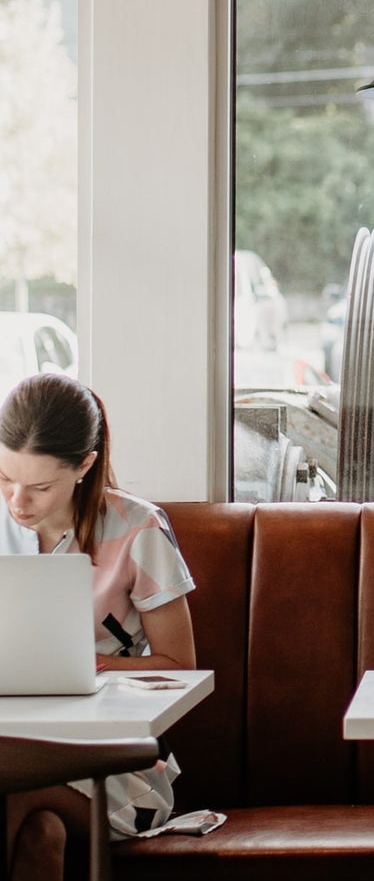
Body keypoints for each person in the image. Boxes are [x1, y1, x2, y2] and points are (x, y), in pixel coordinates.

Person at [0, 375, 196, 881]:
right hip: (11, 744)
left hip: (118, 765)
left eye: (40, 487)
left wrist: (92, 667)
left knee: (11, 791)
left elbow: (181, 665)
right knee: (42, 835)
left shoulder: (137, 528)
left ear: (84, 465)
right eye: (4, 478)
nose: (18, 502)